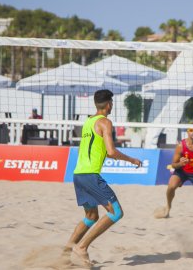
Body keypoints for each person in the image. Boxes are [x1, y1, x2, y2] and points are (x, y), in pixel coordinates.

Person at [64, 89, 142, 266]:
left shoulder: (88, 122)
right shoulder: (105, 122)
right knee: (116, 212)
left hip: (78, 174)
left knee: (91, 216)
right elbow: (111, 152)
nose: (112, 105)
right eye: (112, 102)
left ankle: (65, 253)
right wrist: (131, 160)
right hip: (90, 175)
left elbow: (100, 150)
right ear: (109, 104)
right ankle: (82, 247)